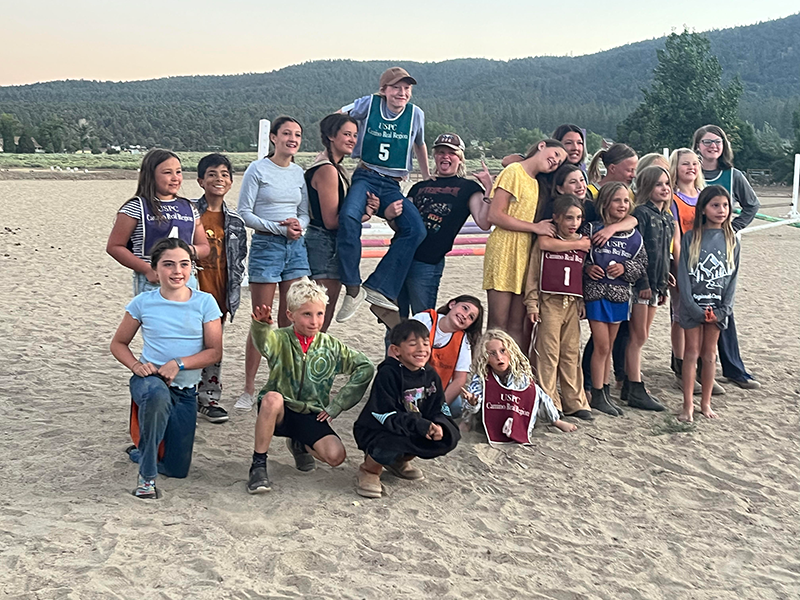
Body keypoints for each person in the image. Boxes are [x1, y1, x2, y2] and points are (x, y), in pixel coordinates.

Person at [110, 238, 223, 499]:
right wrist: (136, 365)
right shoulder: (143, 302)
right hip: (151, 381)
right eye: (168, 264)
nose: (177, 271)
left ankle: (142, 450)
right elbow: (118, 343)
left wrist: (179, 363)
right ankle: (146, 478)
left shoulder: (205, 303)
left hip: (186, 390)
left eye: (184, 264)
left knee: (177, 469)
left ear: (192, 268)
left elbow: (214, 352)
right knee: (157, 396)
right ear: (155, 268)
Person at [246, 279, 375, 493]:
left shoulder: (331, 346)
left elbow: (365, 367)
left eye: (320, 314)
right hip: (281, 411)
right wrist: (261, 327)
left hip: (311, 413)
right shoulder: (279, 338)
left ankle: (299, 443)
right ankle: (258, 465)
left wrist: (338, 404)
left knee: (336, 457)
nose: (314, 321)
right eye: (307, 314)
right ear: (290, 315)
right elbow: (264, 345)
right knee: (271, 398)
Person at [334, 67, 429, 321]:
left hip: (392, 184)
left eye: (407, 88)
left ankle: (378, 286)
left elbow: (419, 144)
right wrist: (334, 149)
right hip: (366, 175)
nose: (402, 92)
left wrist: (427, 177)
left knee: (416, 230)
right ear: (384, 90)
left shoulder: (415, 114)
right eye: (396, 87)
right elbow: (337, 116)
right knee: (349, 217)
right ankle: (352, 287)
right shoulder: (369, 104)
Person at [235, 116, 311, 411]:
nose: (292, 139)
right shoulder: (258, 169)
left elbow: (305, 213)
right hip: (267, 245)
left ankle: (283, 383)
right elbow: (245, 213)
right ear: (274, 138)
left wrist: (297, 225)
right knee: (261, 319)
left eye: (298, 135)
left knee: (290, 319)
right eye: (287, 134)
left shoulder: (298, 173)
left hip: (295, 247)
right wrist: (279, 228)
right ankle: (249, 387)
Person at [353, 319, 460, 499]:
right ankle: (369, 469)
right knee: (393, 438)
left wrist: (438, 425)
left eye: (426, 344)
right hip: (380, 429)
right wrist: (419, 425)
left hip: (414, 425)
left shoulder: (430, 374)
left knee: (448, 434)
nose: (421, 349)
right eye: (412, 344)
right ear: (396, 350)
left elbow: (439, 406)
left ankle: (398, 461)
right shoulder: (388, 374)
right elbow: (383, 414)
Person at [391, 133, 493, 318]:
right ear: (435, 156)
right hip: (399, 256)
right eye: (441, 152)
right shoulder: (418, 187)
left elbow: (484, 222)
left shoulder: (469, 188)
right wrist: (390, 215)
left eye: (451, 153)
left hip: (427, 261)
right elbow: (400, 225)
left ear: (460, 158)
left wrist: (489, 188)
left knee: (422, 319)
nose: (445, 156)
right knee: (393, 320)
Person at [692, 125, 761, 389]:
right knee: (691, 307)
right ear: (698, 144)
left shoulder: (733, 175)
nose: (713, 146)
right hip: (693, 245)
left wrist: (732, 228)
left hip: (724, 249)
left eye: (718, 141)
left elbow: (752, 204)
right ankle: (692, 368)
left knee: (723, 306)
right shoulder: (690, 171)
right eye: (707, 141)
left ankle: (733, 367)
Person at [483, 139, 567, 349]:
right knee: (498, 324)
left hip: (524, 251)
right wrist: (535, 227)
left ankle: (515, 374)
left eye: (559, 162)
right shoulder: (514, 171)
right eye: (555, 154)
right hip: (504, 248)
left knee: (516, 325)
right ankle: (489, 375)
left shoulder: (536, 182)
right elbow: (495, 215)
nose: (555, 162)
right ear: (541, 146)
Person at [304, 113, 380, 331]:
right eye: (346, 134)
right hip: (325, 244)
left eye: (355, 135)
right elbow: (331, 221)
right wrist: (364, 215)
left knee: (316, 317)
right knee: (319, 321)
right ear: (330, 136)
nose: (352, 140)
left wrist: (365, 213)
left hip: (322, 242)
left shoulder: (329, 165)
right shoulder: (328, 170)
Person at [524, 195, 593, 420]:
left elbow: (581, 275)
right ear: (556, 218)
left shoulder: (583, 243)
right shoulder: (545, 242)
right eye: (569, 218)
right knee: (548, 354)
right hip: (549, 302)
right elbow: (533, 274)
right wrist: (532, 303)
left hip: (571, 303)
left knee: (571, 353)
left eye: (578, 218)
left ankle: (575, 400)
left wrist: (581, 300)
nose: (574, 223)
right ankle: (550, 401)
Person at [582, 183, 647, 416]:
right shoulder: (591, 229)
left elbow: (641, 263)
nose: (622, 205)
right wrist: (588, 269)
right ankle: (596, 391)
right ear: (605, 202)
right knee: (601, 345)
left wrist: (625, 267)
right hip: (596, 294)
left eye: (626, 201)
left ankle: (604, 391)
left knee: (608, 347)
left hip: (619, 296)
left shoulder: (633, 235)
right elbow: (578, 256)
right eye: (617, 200)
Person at [107, 149, 210, 296]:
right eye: (167, 173)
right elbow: (115, 246)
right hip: (153, 282)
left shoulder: (189, 207)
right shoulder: (136, 207)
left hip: (186, 280)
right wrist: (146, 269)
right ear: (150, 175)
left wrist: (189, 251)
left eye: (178, 172)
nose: (175, 178)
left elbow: (205, 247)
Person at [191, 153, 247, 424]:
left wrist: (232, 293)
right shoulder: (189, 213)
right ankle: (182, 396)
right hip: (190, 294)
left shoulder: (235, 220)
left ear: (232, 181)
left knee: (214, 349)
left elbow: (239, 259)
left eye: (224, 174)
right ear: (201, 180)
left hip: (220, 296)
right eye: (212, 174)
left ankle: (209, 399)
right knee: (186, 345)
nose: (219, 179)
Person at [676, 186, 740, 421]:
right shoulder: (691, 237)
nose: (721, 210)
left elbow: (732, 278)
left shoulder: (732, 238)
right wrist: (693, 307)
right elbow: (683, 275)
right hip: (694, 306)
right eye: (715, 205)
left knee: (710, 355)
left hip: (718, 308)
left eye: (724, 205)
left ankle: (706, 403)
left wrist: (724, 310)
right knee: (691, 353)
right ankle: (688, 405)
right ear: (703, 208)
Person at [581, 144, 640, 391]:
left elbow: (635, 218)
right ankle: (595, 386)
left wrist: (614, 229)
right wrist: (586, 269)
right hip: (594, 288)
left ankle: (609, 384)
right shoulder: (591, 195)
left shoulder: (628, 199)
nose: (633, 174)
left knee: (615, 339)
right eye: (630, 169)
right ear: (613, 168)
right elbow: (581, 245)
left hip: (618, 290)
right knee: (600, 343)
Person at [461, 329, 577, 443]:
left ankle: (556, 421)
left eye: (503, 351)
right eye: (492, 354)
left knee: (535, 391)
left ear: (511, 352)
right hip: (489, 413)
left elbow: (533, 398)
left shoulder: (519, 376)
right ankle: (467, 422)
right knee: (469, 400)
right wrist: (473, 403)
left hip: (514, 411)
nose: (499, 357)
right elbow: (474, 401)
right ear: (485, 358)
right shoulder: (482, 376)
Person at [623, 166, 675, 411]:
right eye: (658, 184)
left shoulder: (667, 218)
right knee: (638, 336)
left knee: (643, 335)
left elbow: (665, 253)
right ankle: (634, 384)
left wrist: (665, 280)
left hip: (657, 284)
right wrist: (643, 283)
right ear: (647, 187)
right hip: (641, 285)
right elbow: (638, 251)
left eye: (666, 183)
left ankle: (631, 382)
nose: (664, 188)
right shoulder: (642, 213)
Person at [668, 148, 706, 394]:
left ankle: (700, 367)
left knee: (701, 315)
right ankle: (680, 366)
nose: (691, 168)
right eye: (685, 164)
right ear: (676, 168)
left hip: (704, 265)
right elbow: (677, 238)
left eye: (694, 163)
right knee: (680, 315)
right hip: (682, 263)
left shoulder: (703, 195)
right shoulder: (673, 198)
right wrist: (684, 269)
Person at [408, 295, 484, 418]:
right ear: (452, 304)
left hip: (434, 388)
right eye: (465, 308)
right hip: (408, 379)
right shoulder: (424, 319)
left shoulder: (463, 341)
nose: (465, 315)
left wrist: (439, 406)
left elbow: (460, 379)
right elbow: (399, 347)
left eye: (471, 317)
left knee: (455, 408)